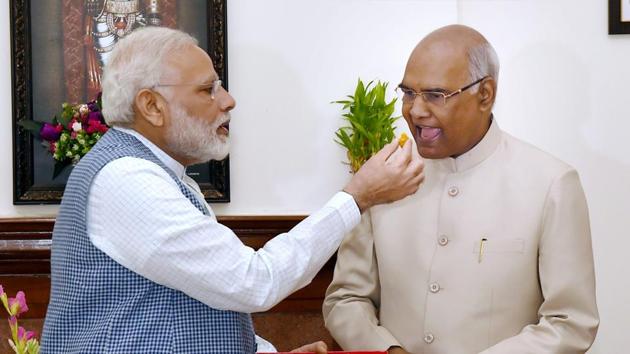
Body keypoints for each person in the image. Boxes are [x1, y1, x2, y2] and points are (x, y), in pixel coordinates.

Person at [40, 27, 424, 353]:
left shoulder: (160, 174)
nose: (228, 101)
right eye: (208, 89)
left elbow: (191, 303)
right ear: (152, 106)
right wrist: (357, 196)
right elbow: (255, 281)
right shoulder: (127, 181)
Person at [323, 24, 599, 354]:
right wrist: (387, 351)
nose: (416, 110)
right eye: (409, 93)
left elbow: (571, 322)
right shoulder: (382, 178)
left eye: (435, 95)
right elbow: (345, 298)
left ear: (485, 94)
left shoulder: (551, 184)